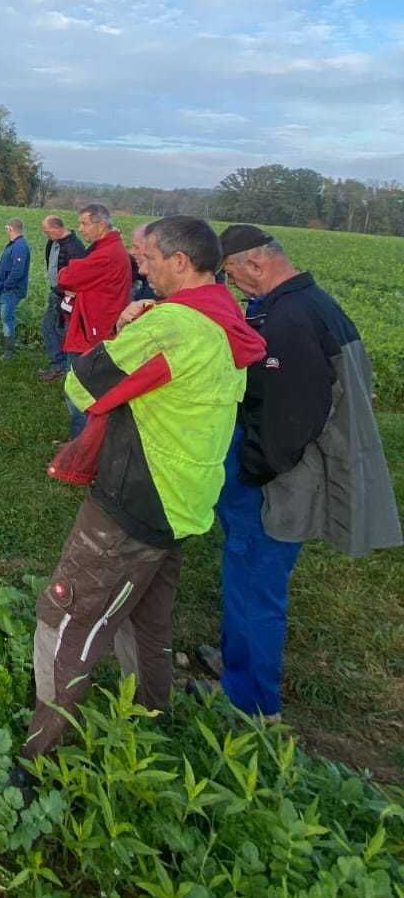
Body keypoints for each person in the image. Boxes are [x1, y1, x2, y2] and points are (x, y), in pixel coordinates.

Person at [24, 216, 266, 760]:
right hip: (185, 500)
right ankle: (151, 727)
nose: (141, 267)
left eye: (148, 257)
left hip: (136, 498)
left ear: (180, 262)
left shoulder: (171, 328)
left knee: (66, 619)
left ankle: (36, 754)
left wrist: (125, 327)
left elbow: (83, 384)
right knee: (147, 624)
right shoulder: (224, 320)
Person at [194, 226, 403, 719]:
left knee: (256, 583)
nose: (234, 286)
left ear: (256, 265)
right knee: (245, 572)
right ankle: (235, 664)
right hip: (281, 471)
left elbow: (290, 417)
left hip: (280, 482)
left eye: (231, 275)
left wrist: (252, 471)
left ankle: (251, 704)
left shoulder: (289, 321)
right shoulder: (308, 303)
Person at [57, 205, 134, 438]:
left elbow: (67, 277)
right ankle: (80, 443)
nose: (80, 229)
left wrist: (72, 274)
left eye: (84, 223)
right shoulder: (107, 248)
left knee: (80, 391)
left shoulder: (106, 254)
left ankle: (81, 449)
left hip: (91, 331)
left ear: (101, 225)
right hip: (92, 326)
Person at [37, 216, 86, 381]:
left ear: (57, 228)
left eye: (47, 231)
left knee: (54, 328)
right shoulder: (53, 242)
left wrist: (61, 290)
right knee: (52, 328)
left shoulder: (74, 247)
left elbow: (76, 275)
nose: (46, 235)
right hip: (56, 291)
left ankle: (62, 367)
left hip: (65, 295)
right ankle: (60, 366)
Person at [0, 218, 31, 358]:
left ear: (10, 229)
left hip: (11, 290)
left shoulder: (19, 246)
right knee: (6, 317)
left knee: (7, 317)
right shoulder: (14, 245)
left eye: (6, 228)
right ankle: (6, 348)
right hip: (7, 289)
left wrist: (5, 285)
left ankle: (9, 351)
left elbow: (17, 271)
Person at [129, 223, 156, 302]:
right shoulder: (148, 279)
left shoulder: (159, 287)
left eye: (136, 247)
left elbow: (148, 309)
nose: (132, 252)